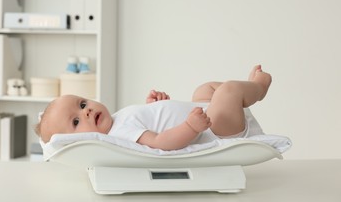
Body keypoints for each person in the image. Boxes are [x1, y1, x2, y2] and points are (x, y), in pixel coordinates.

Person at [35, 65, 272, 151]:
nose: (85, 111)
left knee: (204, 90)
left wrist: (158, 107)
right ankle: (257, 89)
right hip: (216, 128)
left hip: (205, 112)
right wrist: (190, 126)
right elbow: (160, 142)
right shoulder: (118, 135)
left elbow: (153, 124)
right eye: (76, 122)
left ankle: (244, 93)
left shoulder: (117, 120)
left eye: (82, 103)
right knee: (227, 90)